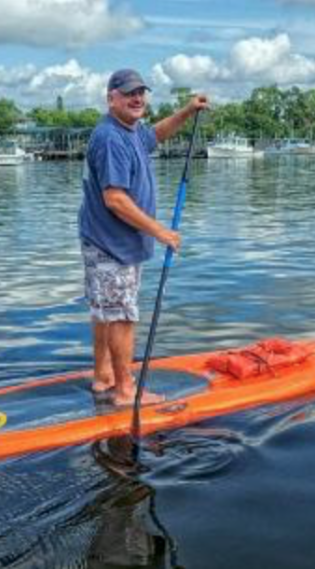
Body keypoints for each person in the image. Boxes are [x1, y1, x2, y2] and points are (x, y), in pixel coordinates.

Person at [78, 69, 208, 406]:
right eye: (128, 93)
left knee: (106, 311)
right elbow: (115, 199)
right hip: (111, 244)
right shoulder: (110, 138)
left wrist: (187, 110)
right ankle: (124, 391)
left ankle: (104, 376)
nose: (137, 99)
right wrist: (161, 231)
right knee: (121, 315)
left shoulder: (131, 131)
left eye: (141, 93)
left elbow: (156, 135)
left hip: (114, 243)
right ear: (111, 98)